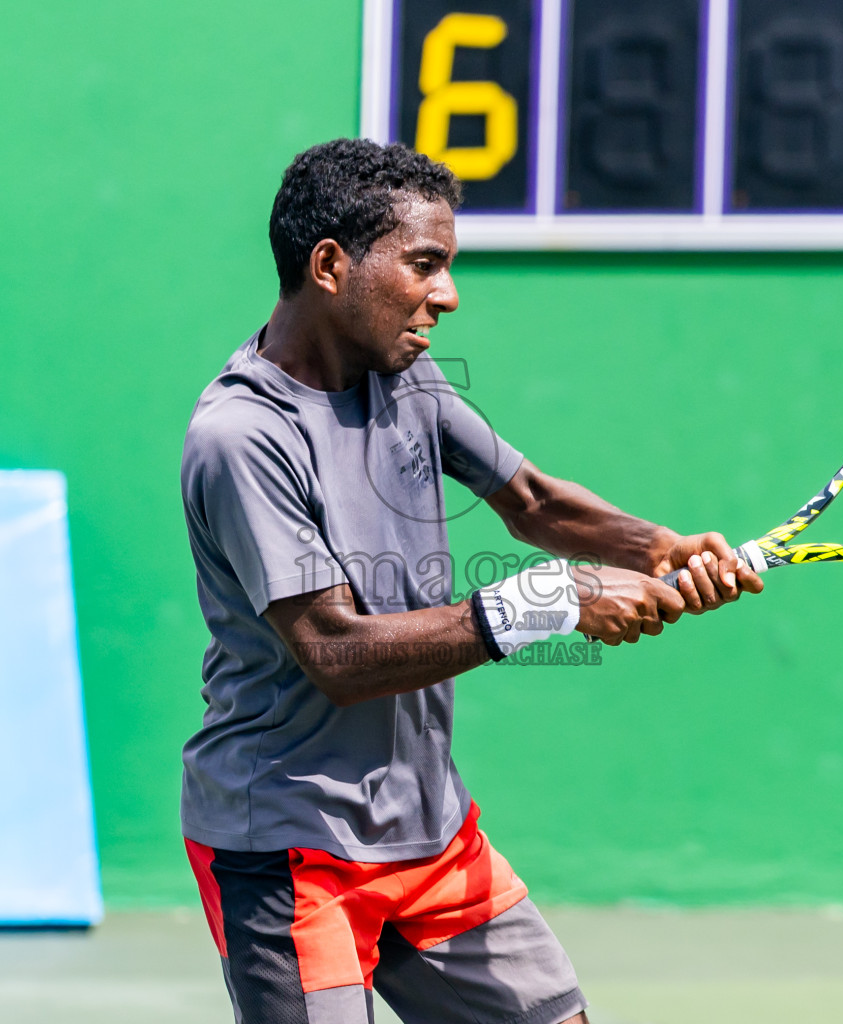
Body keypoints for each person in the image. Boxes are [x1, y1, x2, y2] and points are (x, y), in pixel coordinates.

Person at [180, 138, 763, 1024]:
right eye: (425, 265)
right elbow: (334, 654)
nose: (447, 295)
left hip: (432, 831)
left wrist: (661, 550)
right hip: (290, 846)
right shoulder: (242, 437)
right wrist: (557, 597)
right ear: (332, 266)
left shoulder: (405, 377)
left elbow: (529, 499)